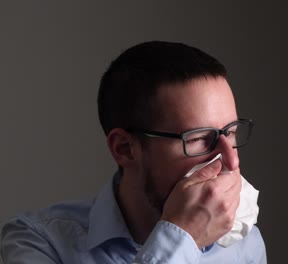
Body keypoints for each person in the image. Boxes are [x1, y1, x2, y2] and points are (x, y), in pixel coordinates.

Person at [0, 41, 267, 263]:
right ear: (125, 149)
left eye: (230, 132)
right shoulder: (38, 241)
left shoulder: (243, 245)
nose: (231, 160)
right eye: (197, 139)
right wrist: (183, 236)